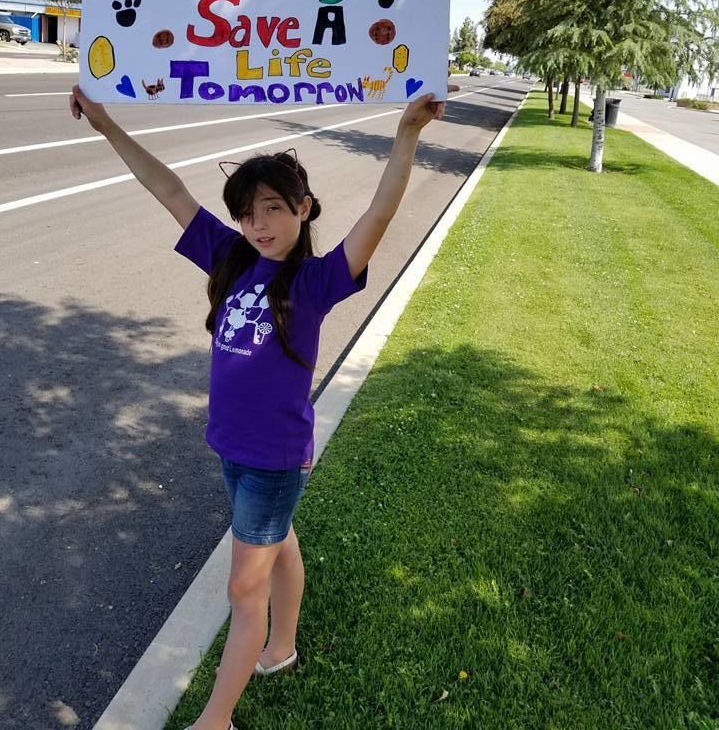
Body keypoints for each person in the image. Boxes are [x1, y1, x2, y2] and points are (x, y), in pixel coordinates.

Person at [68, 84, 445, 730]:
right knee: (278, 542)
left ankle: (215, 721)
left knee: (245, 588)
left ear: (304, 208)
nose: (259, 225)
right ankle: (282, 646)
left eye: (272, 208)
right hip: (231, 449)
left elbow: (380, 214)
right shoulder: (232, 257)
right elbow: (167, 189)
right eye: (247, 213)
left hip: (272, 460)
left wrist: (407, 133)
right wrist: (106, 125)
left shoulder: (316, 281)